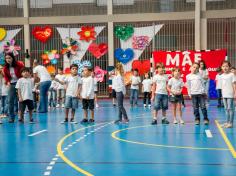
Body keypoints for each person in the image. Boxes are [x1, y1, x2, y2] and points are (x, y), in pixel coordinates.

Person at [3, 52, 24, 123]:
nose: (8, 59)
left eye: (9, 58)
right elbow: (6, 76)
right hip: (11, 84)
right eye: (6, 58)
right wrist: (8, 82)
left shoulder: (19, 64)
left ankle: (21, 116)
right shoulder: (5, 67)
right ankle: (11, 117)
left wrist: (22, 81)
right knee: (10, 101)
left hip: (20, 83)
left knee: (21, 100)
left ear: (12, 58)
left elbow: (23, 72)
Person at [220, 61, 236, 128]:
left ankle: (231, 123)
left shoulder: (232, 75)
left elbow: (234, 84)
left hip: (230, 94)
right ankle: (227, 122)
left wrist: (235, 93)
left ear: (229, 67)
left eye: (226, 66)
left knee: (230, 109)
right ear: (221, 67)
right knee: (226, 109)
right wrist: (222, 94)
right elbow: (222, 86)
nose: (225, 68)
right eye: (223, 66)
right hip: (224, 94)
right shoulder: (221, 76)